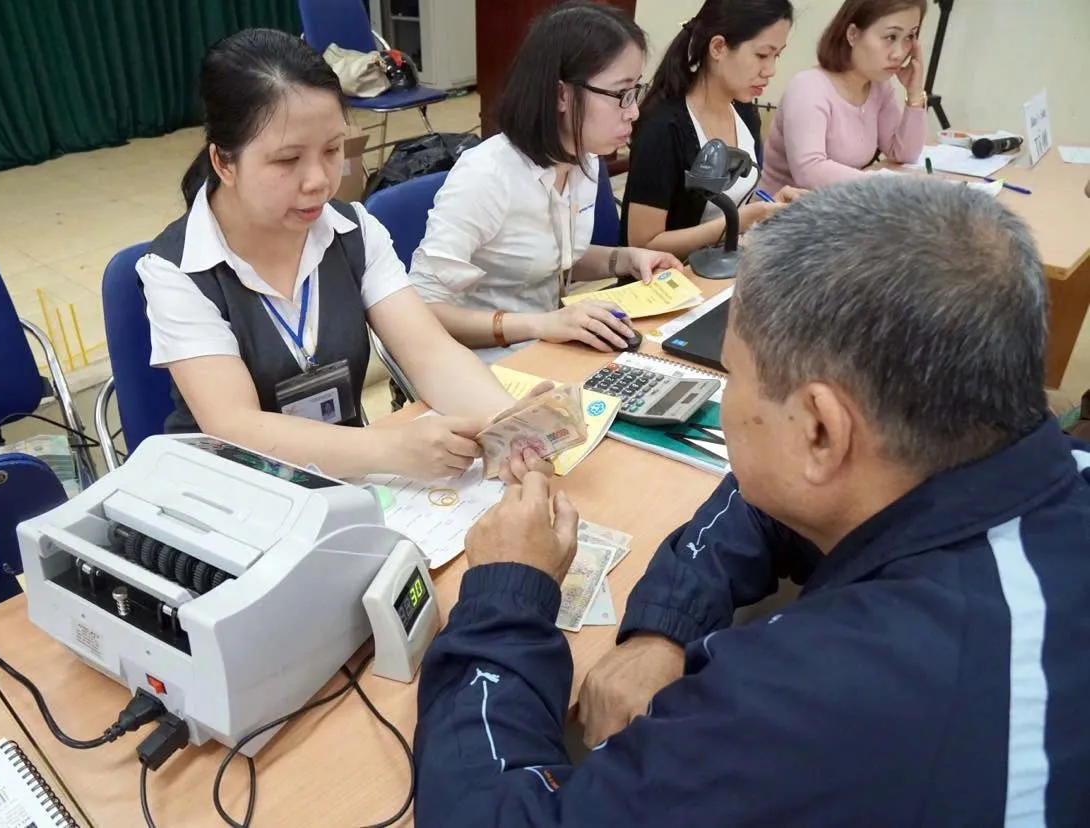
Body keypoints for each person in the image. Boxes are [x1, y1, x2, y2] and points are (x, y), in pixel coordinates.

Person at [411, 176, 1090, 824]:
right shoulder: (1010, 472)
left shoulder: (809, 703)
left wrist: (507, 590)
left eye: (732, 375)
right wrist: (662, 629)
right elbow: (768, 499)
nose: (726, 399)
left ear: (820, 429)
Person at [137, 29, 549, 483]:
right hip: (236, 493)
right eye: (287, 160)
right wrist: (389, 449)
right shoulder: (178, 270)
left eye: (333, 150)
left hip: (346, 477)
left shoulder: (354, 230)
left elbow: (429, 352)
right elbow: (234, 426)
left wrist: (508, 425)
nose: (318, 180)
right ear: (224, 163)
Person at [408, 2, 678, 363]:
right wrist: (541, 324)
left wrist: (626, 259)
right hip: (479, 362)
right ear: (560, 95)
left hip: (547, 346)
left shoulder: (584, 158)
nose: (634, 111)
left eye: (636, 91)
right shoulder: (487, 177)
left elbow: (552, 258)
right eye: (621, 95)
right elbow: (421, 311)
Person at [620, 0, 802, 259]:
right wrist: (739, 221)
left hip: (722, 268)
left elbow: (731, 203)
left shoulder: (744, 112)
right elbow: (642, 243)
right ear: (718, 47)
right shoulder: (663, 127)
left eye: (777, 55)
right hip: (668, 283)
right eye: (762, 55)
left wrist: (769, 205)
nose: (771, 70)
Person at [759, 0, 928, 193]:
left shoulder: (879, 87)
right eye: (890, 37)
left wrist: (915, 94)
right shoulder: (808, 87)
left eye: (910, 37)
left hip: (839, 208)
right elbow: (809, 170)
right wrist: (879, 184)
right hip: (785, 212)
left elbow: (903, 153)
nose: (899, 53)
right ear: (853, 34)